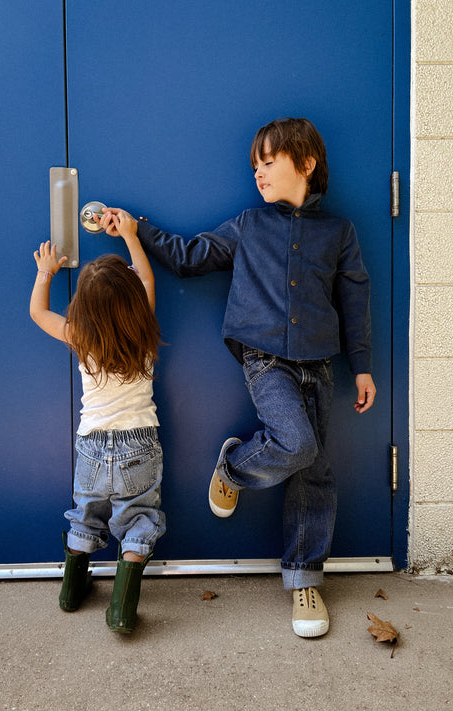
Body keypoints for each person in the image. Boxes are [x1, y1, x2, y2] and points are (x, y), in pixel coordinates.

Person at [102, 117, 376, 638]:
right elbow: (189, 257)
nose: (258, 172)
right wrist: (138, 233)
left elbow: (355, 300)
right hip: (265, 359)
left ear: (307, 164)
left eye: (268, 162)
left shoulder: (339, 232)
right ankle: (233, 466)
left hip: (319, 363)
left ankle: (303, 578)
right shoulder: (250, 225)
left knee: (313, 470)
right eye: (254, 166)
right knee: (297, 443)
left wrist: (361, 367)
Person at [30, 209, 165, 633]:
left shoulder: (80, 336)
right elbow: (146, 280)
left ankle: (71, 591)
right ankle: (122, 609)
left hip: (91, 445)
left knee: (85, 514)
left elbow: (38, 313)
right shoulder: (143, 330)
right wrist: (130, 236)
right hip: (138, 444)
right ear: (130, 303)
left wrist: (46, 272)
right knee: (138, 518)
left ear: (82, 310)